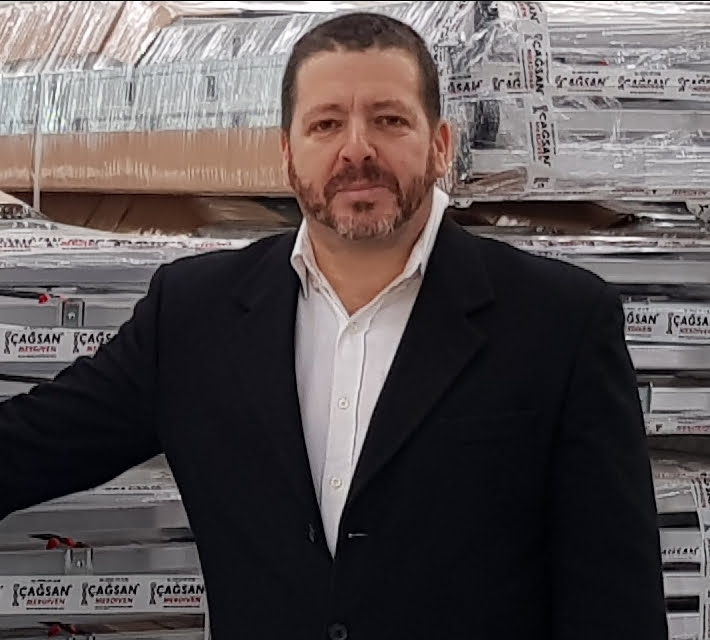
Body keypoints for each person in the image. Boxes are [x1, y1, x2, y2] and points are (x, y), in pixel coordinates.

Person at [0, 11, 666, 640]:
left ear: (440, 146)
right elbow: (31, 446)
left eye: (389, 120)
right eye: (325, 125)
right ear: (287, 154)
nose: (357, 150)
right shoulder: (193, 315)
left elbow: (615, 597)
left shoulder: (560, 322)